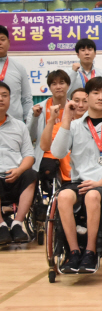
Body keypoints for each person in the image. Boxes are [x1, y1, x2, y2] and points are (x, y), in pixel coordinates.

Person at [51, 77, 102, 273]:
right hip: (78, 182)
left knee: (93, 195)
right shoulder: (74, 125)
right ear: (86, 97)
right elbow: (58, 152)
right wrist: (66, 120)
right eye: (96, 93)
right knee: (62, 196)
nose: (101, 97)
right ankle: (73, 252)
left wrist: (100, 183)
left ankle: (90, 251)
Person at [0, 81, 37, 244]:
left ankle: (17, 224)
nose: (1, 99)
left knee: (32, 174)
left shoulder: (19, 126)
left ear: (10, 99)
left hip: (15, 175)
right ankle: (1, 226)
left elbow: (29, 155)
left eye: (4, 95)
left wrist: (19, 170)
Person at [27, 70, 71, 186]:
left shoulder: (74, 107)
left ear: (68, 85)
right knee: (47, 170)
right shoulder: (38, 109)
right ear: (50, 87)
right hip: (47, 152)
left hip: (69, 152)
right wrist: (34, 117)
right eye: (54, 84)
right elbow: (29, 137)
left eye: (62, 83)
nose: (58, 87)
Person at [38, 88, 89, 186]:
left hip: (94, 178)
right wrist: (52, 119)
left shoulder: (99, 128)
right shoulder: (61, 128)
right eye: (77, 101)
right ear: (70, 103)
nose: (81, 105)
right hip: (69, 180)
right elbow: (44, 147)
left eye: (85, 101)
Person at [0, 25, 32, 121]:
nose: (0, 43)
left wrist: (28, 122)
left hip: (14, 126)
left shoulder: (19, 68)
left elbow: (26, 99)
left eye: (2, 39)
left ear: (9, 43)